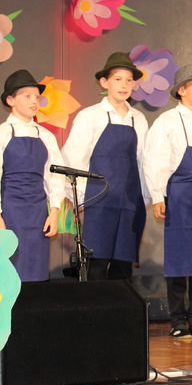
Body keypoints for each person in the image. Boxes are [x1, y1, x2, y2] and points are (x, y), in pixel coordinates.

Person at [144, 64, 192, 340]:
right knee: (178, 259)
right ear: (181, 90)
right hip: (179, 195)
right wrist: (157, 195)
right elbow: (155, 161)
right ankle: (177, 320)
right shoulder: (167, 121)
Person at [63, 52, 149, 281]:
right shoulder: (90, 116)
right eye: (118, 79)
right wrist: (79, 198)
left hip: (129, 201)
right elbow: (74, 158)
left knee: (123, 265)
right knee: (97, 264)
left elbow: (143, 162)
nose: (124, 85)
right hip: (98, 201)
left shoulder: (138, 119)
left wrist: (145, 197)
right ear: (104, 82)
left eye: (129, 80)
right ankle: (96, 305)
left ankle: (122, 306)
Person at [0, 69, 66, 281]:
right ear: (10, 100)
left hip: (38, 211)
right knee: (11, 269)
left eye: (36, 96)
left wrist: (54, 211)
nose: (34, 101)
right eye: (27, 96)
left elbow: (55, 176)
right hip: (10, 211)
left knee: (37, 269)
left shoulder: (46, 136)